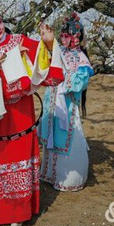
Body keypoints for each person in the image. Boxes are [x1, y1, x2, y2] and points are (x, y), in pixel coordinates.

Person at [0, 0, 64, 226]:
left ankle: (19, 213)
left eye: (0, 22)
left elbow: (43, 66)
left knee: (19, 161)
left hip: (20, 117)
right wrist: (8, 60)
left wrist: (49, 43)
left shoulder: (19, 41)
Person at [39, 12, 94, 191]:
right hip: (52, 101)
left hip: (68, 105)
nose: (64, 39)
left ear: (76, 38)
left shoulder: (81, 59)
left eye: (67, 36)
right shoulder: (59, 51)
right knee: (51, 131)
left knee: (67, 137)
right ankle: (49, 174)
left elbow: (79, 82)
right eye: (62, 36)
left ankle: (69, 177)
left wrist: (65, 76)